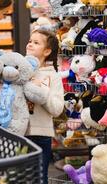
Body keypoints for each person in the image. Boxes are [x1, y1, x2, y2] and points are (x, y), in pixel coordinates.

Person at [25, 29, 64, 184]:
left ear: (47, 51)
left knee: (39, 177)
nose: (30, 45)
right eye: (30, 41)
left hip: (40, 134)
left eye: (36, 43)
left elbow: (56, 109)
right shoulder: (18, 71)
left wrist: (40, 91)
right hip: (18, 133)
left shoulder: (52, 77)